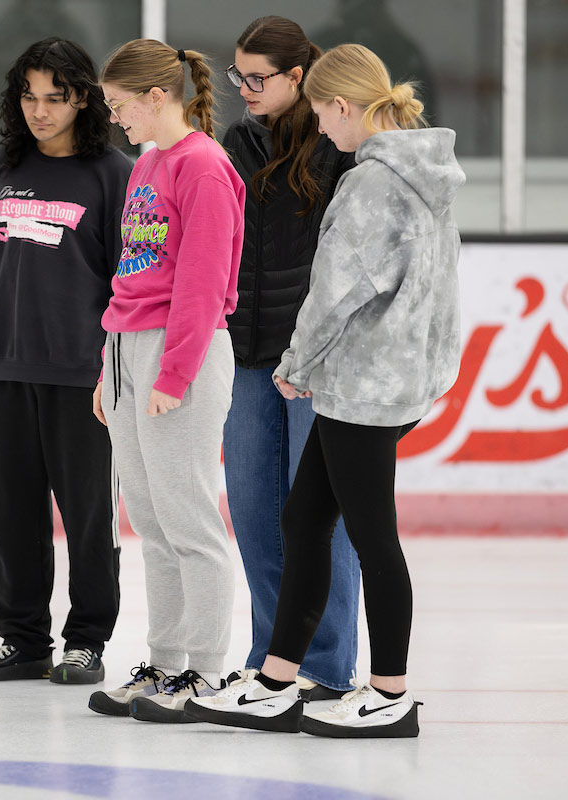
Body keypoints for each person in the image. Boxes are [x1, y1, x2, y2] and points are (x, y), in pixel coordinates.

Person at [188, 43, 464, 738]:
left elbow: (336, 291)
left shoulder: (373, 181)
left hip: (361, 383)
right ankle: (278, 679)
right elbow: (441, 296)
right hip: (384, 379)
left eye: (318, 111)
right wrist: (432, 373)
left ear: (342, 105)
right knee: (305, 522)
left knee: (372, 536)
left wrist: (297, 362)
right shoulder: (425, 175)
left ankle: (391, 693)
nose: (317, 126)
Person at [0, 38, 132, 685]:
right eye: (29, 96)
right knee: (12, 514)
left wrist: (116, 377)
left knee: (89, 520)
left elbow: (128, 285)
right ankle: (24, 639)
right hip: (6, 370)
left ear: (83, 98)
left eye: (54, 97)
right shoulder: (2, 167)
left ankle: (87, 639)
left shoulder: (114, 174)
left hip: (82, 380)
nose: (39, 110)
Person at [87, 39, 244, 718]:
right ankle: (166, 659)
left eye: (120, 106)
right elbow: (132, 272)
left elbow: (203, 285)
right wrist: (108, 365)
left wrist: (174, 374)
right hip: (129, 352)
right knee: (150, 518)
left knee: (189, 515)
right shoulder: (147, 164)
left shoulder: (204, 167)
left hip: (182, 354)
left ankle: (206, 670)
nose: (115, 119)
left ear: (156, 97)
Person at [219, 16, 360, 705]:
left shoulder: (339, 148)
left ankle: (326, 666)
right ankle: (272, 656)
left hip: (318, 362)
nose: (243, 88)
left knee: (318, 517)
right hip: (244, 355)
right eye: (236, 75)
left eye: (257, 77)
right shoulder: (234, 143)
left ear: (298, 77)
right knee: (251, 508)